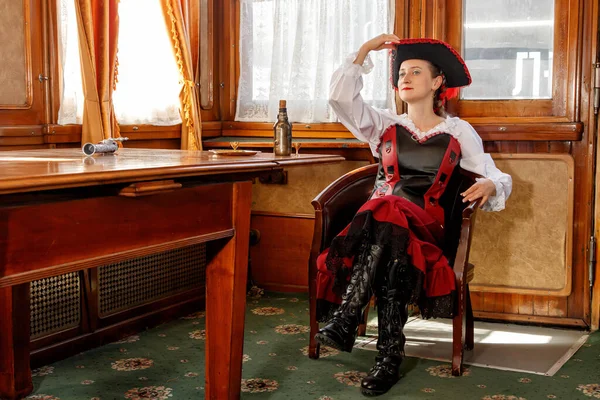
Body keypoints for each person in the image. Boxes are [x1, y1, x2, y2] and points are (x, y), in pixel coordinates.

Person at [314, 35, 512, 397]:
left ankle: (348, 317)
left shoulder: (457, 131)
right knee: (391, 246)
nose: (404, 78)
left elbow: (492, 173)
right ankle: (388, 359)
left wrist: (491, 186)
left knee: (385, 205)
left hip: (428, 227)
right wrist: (362, 52)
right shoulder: (384, 124)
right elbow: (339, 99)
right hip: (383, 231)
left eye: (415, 72)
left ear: (437, 82)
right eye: (401, 72)